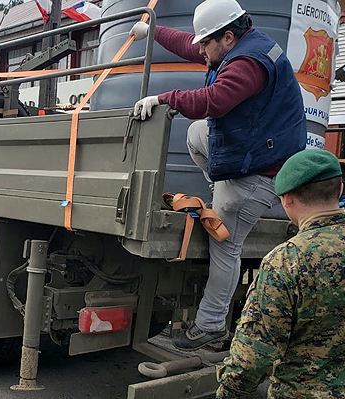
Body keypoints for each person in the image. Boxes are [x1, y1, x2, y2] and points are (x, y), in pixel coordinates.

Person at [130, 0, 306, 350]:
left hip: (262, 172)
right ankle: (225, 190)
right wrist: (151, 32)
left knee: (224, 245)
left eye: (204, 43)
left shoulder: (247, 65)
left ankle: (210, 326)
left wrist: (164, 97)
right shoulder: (235, 46)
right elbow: (188, 44)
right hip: (251, 152)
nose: (200, 49)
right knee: (197, 134)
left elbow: (214, 101)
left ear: (227, 37)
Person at [216, 149, 345, 397]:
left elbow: (252, 359)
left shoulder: (286, 261)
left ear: (286, 199)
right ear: (339, 191)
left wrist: (226, 393)